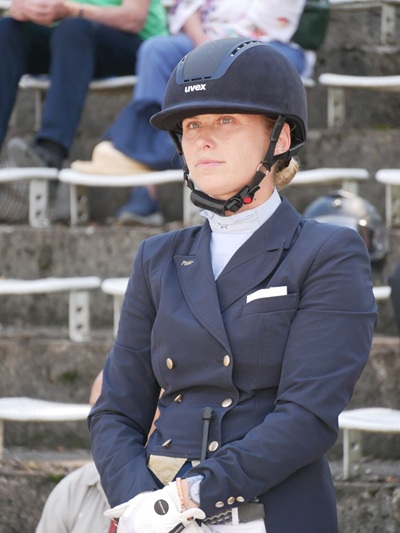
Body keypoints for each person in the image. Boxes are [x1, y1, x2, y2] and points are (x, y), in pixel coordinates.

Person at [88, 38, 377, 533]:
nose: (203, 139)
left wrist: (184, 499)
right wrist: (139, 503)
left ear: (279, 139)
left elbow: (306, 417)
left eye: (225, 120)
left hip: (262, 513)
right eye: (192, 125)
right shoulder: (157, 257)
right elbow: (115, 409)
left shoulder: (328, 252)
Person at [71, 0, 309, 224]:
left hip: (266, 42)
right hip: (203, 39)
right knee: (155, 50)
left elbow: (269, 20)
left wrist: (219, 52)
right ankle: (145, 188)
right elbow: (186, 5)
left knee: (247, 68)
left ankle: (140, 151)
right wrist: (203, 44)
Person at [0, 0, 168, 170]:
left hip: (136, 45)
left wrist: (72, 11)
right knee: (6, 30)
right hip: (66, 40)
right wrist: (23, 8)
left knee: (73, 29)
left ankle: (50, 151)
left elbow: (133, 19)